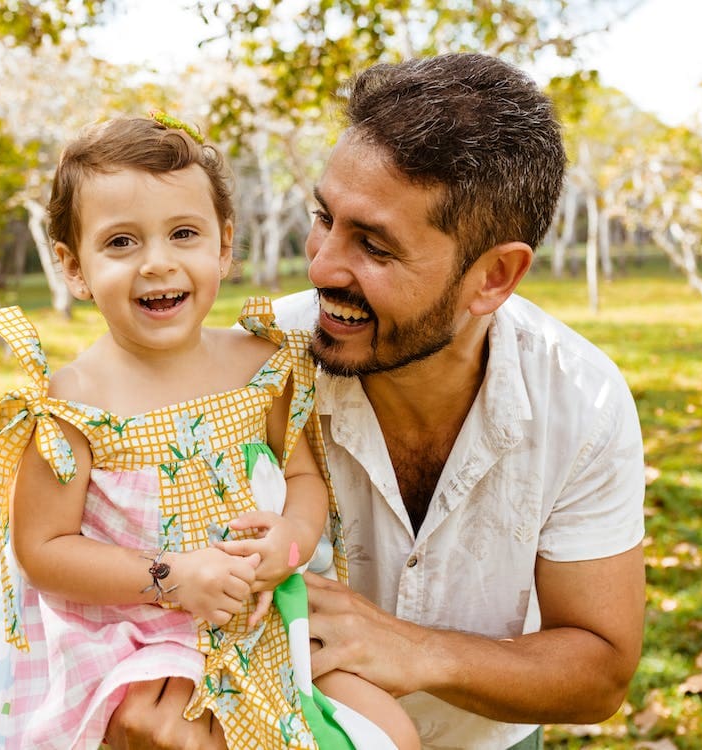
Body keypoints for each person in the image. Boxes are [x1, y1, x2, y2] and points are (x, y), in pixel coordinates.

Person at [110, 53, 646, 750]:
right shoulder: (243, 370)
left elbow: (600, 673)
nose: (322, 265)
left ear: (493, 276)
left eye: (374, 246)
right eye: (323, 218)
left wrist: (417, 651)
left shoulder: (583, 400)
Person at [0, 114, 418, 750]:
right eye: (120, 242)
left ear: (223, 246)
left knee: (391, 732)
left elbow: (303, 477)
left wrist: (288, 542)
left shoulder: (263, 367)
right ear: (73, 267)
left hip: (261, 608)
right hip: (141, 636)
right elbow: (42, 548)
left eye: (183, 233)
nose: (157, 263)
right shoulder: (68, 403)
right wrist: (175, 577)